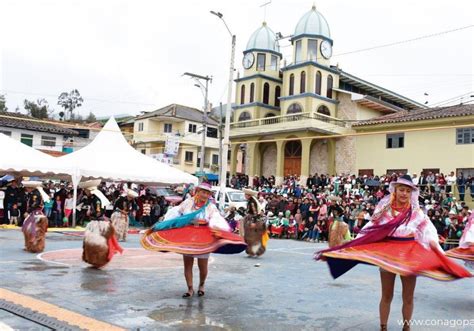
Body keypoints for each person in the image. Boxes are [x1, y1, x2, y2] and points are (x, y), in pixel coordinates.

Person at [315, 175, 471, 331]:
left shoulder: (416, 213)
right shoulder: (384, 211)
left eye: (408, 191)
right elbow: (368, 230)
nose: (404, 194)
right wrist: (343, 250)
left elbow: (428, 233)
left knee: (408, 297)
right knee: (387, 295)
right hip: (388, 255)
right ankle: (383, 328)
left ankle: (406, 328)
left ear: (412, 193)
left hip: (410, 255)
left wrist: (439, 255)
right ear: (395, 190)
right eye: (401, 190)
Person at [141, 182, 246, 298]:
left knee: (203, 265)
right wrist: (166, 224)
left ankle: (201, 285)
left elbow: (216, 220)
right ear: (197, 191)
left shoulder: (211, 207)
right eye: (203, 192)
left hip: (204, 236)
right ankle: (190, 288)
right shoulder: (188, 203)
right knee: (188, 264)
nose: (205, 195)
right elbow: (176, 213)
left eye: (207, 193)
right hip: (188, 235)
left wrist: (218, 230)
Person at [81, 180, 123, 268]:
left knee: (96, 242)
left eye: (85, 190)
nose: (85, 192)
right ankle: (94, 258)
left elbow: (98, 213)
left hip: (97, 223)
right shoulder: (92, 198)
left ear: (89, 190)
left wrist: (90, 213)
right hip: (95, 222)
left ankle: (99, 259)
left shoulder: (96, 199)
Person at [21, 181, 50, 253]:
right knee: (28, 229)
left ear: (30, 187)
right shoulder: (33, 193)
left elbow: (35, 204)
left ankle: (35, 246)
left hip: (36, 213)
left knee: (31, 229)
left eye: (27, 187)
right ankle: (30, 246)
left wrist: (28, 211)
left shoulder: (35, 194)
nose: (26, 189)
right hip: (35, 213)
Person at [242, 188, 268, 257]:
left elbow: (255, 213)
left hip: (252, 220)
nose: (245, 196)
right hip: (250, 219)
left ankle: (255, 251)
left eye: (246, 194)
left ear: (249, 195)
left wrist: (253, 222)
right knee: (250, 237)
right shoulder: (250, 201)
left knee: (253, 237)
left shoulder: (252, 202)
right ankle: (252, 251)